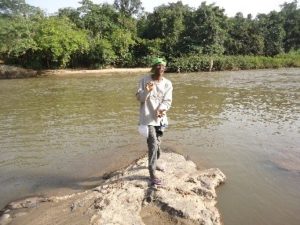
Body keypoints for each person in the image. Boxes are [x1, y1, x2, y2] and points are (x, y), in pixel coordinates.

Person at [136, 57, 173, 185]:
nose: (160, 68)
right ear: (153, 68)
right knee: (152, 144)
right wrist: (147, 91)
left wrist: (161, 109)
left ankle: (155, 162)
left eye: (162, 66)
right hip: (147, 119)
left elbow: (167, 101)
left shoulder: (168, 83)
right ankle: (152, 174)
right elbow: (139, 98)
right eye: (158, 66)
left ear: (165, 69)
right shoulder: (144, 80)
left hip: (161, 119)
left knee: (157, 144)